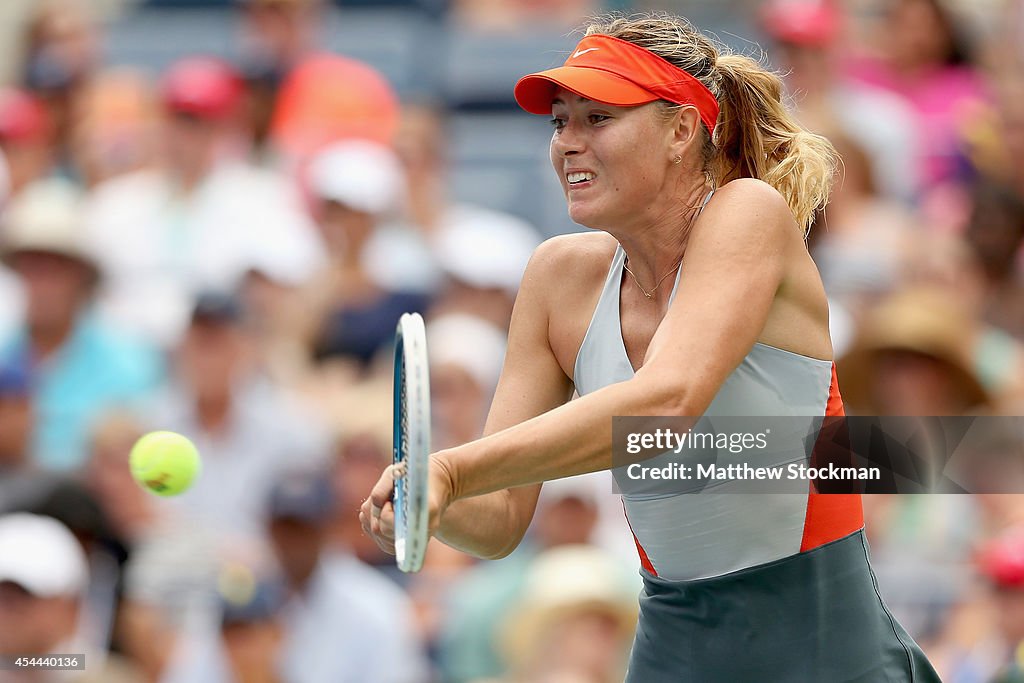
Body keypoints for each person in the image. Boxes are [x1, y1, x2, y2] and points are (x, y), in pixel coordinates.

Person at [362, 12, 941, 681]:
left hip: (828, 658)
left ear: (680, 130)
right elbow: (497, 520)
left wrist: (453, 468)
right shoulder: (558, 279)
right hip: (675, 657)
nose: (568, 143)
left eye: (598, 118)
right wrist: (426, 504)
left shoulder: (748, 212)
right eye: (560, 122)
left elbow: (666, 407)